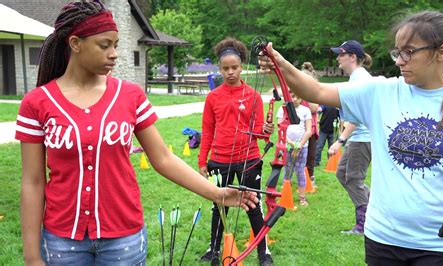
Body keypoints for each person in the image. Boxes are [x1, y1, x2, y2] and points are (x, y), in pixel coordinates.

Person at [15, 2, 258, 265]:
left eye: (116, 45)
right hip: (62, 241)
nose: (114, 54)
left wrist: (218, 193)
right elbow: (33, 181)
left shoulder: (130, 96)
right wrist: (31, 255)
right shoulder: (37, 102)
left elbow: (163, 158)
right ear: (75, 43)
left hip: (123, 240)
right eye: (104, 45)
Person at [259, 10, 443, 265]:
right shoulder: (381, 92)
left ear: (442, 52)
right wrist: (281, 65)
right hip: (383, 239)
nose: (399, 61)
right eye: (397, 52)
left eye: (409, 52)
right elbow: (315, 90)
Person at [198, 37, 274, 266]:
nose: (230, 72)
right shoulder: (213, 97)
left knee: (253, 204)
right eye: (225, 68)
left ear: (242, 67)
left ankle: (264, 252)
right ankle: (214, 248)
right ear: (219, 69)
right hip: (219, 160)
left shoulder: (253, 95)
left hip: (248, 158)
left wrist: (266, 130)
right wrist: (203, 160)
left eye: (235, 67)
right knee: (219, 204)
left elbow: (261, 134)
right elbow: (207, 130)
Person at [326, 40, 373, 235]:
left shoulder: (360, 79)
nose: (338, 58)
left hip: (361, 139)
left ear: (352, 57)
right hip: (357, 138)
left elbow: (357, 116)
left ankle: (363, 224)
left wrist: (340, 140)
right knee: (342, 174)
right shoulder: (356, 77)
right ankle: (373, 208)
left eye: (341, 54)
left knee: (353, 178)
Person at [277, 92, 313, 205]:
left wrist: (300, 145)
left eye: (298, 96)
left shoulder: (306, 110)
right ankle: (284, 195)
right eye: (292, 96)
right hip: (287, 145)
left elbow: (308, 130)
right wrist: (291, 144)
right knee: (287, 170)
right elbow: (280, 129)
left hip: (302, 146)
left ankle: (302, 198)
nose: (295, 99)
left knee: (300, 171)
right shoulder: (283, 109)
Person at [300, 62, 320, 187]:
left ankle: (310, 178)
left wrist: (305, 95)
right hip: (298, 129)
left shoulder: (312, 93)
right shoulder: (296, 93)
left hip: (310, 131)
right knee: (296, 155)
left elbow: (313, 108)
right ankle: (294, 177)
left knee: (310, 156)